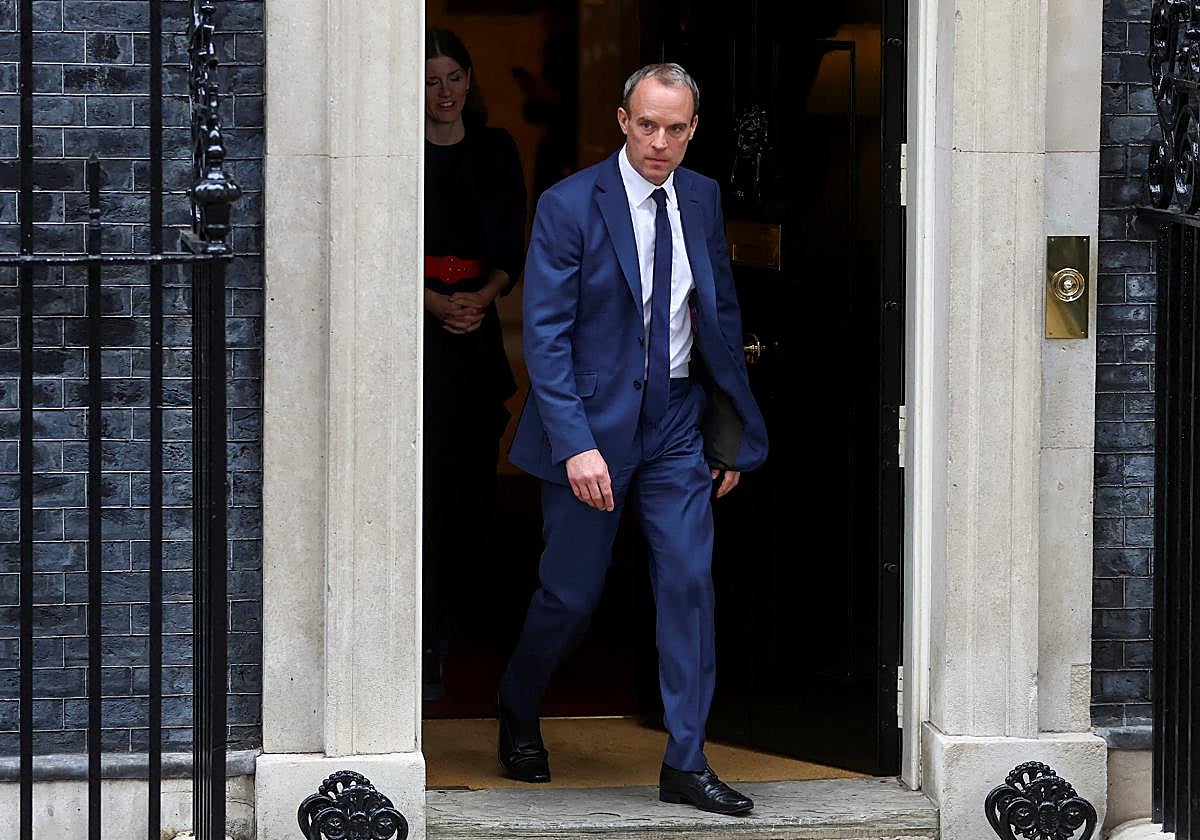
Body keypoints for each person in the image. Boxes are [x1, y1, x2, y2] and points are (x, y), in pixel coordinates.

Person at [498, 63, 768, 815]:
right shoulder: (568, 204)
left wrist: (729, 433)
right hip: (589, 426)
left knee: (687, 584)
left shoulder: (704, 198)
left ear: (692, 130)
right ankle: (518, 703)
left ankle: (686, 761)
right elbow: (546, 338)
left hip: (677, 424)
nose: (660, 141)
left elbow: (718, 317)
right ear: (622, 120)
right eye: (646, 125)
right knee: (571, 595)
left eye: (675, 128)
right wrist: (576, 443)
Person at [422, 27, 527, 702]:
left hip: (476, 330)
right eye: (431, 81)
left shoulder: (495, 150)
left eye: (454, 77)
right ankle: (424, 627)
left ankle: (453, 609)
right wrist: (435, 304)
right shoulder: (398, 153)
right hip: (419, 336)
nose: (445, 93)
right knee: (424, 487)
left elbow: (511, 245)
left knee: (472, 490)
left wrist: (481, 299)